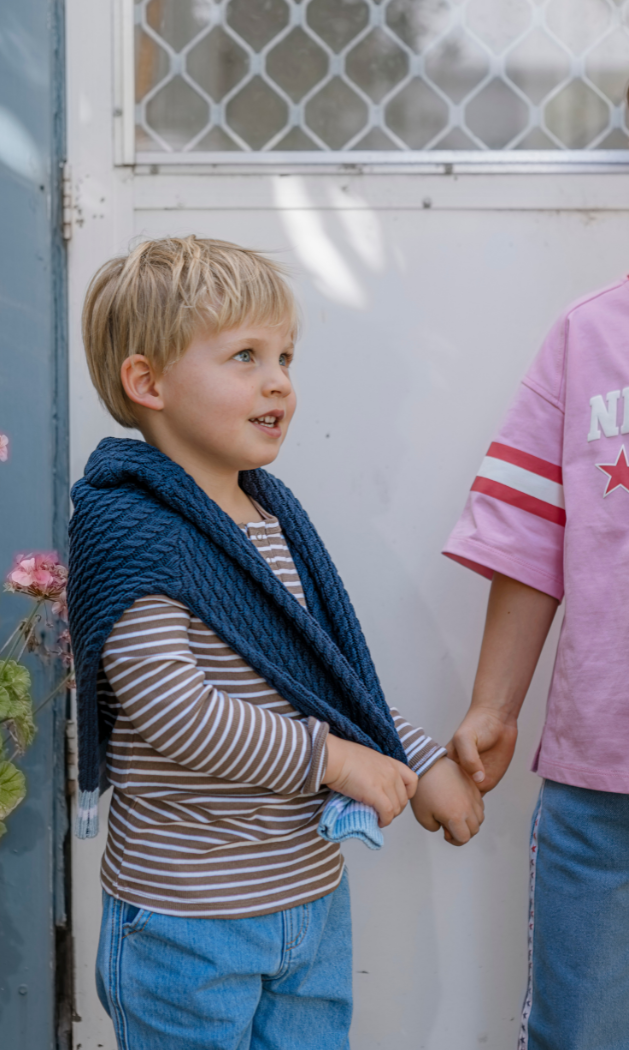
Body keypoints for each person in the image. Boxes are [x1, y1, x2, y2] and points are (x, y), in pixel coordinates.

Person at [67, 236, 483, 1050]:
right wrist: (337, 761)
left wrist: (421, 758)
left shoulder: (272, 518)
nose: (278, 380)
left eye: (286, 355)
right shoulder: (130, 528)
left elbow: (326, 679)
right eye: (245, 355)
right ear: (147, 382)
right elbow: (175, 712)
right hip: (190, 923)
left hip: (309, 904)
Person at [444, 275, 629, 1050]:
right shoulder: (591, 333)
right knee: (576, 1032)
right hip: (604, 787)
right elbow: (529, 534)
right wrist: (495, 704)